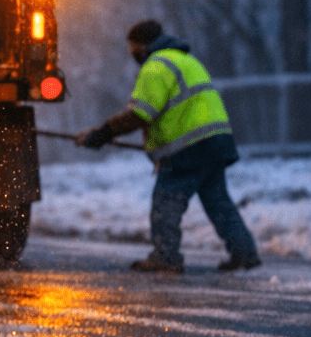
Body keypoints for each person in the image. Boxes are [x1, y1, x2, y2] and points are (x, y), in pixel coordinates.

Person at [76, 19, 261, 274]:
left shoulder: (156, 67)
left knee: (166, 201)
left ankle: (165, 257)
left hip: (189, 147)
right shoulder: (187, 61)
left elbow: (140, 114)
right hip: (217, 141)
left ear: (142, 45)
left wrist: (101, 134)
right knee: (218, 201)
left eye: (132, 47)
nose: (132, 54)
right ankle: (245, 252)